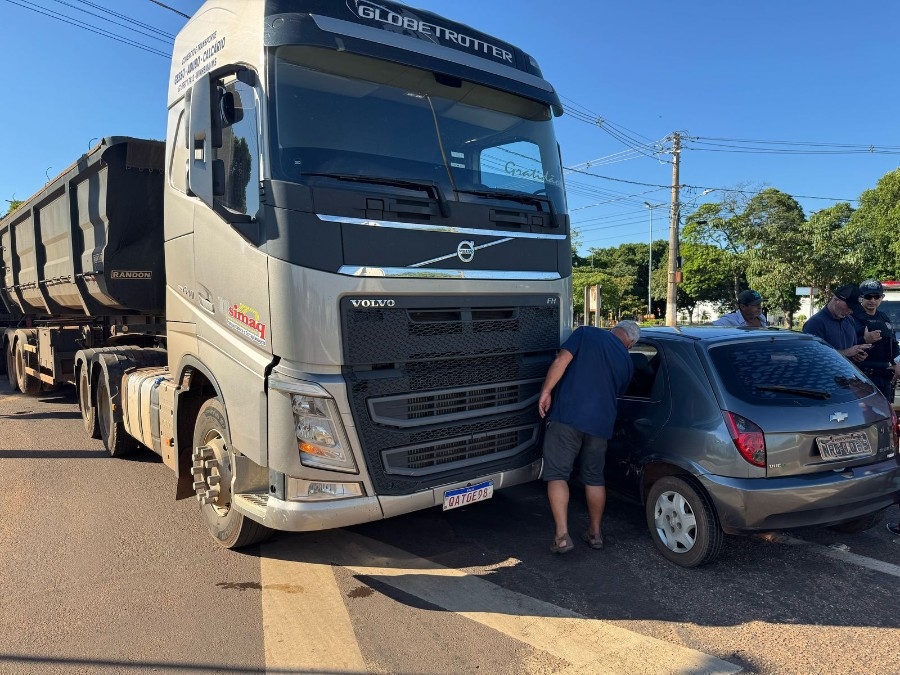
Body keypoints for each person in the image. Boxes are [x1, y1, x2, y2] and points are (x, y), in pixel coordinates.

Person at [537, 319, 641, 554]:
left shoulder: (587, 333)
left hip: (568, 417)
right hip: (601, 425)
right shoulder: (627, 362)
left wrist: (546, 391)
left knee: (557, 474)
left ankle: (562, 536)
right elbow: (616, 394)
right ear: (631, 343)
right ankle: (595, 533)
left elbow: (561, 360)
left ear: (614, 329)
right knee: (595, 477)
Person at [850, 279, 900, 401]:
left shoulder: (884, 317)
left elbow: (892, 344)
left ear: (881, 297)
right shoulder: (851, 318)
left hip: (884, 377)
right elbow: (844, 346)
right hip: (861, 376)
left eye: (876, 296)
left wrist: (898, 363)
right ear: (861, 297)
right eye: (868, 296)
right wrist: (864, 339)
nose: (872, 300)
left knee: (885, 415)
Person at [802, 284, 871, 363]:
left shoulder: (849, 320)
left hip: (847, 373)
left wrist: (857, 354)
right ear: (836, 299)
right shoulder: (815, 323)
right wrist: (846, 353)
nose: (851, 311)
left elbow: (851, 349)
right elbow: (811, 355)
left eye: (854, 308)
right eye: (849, 307)